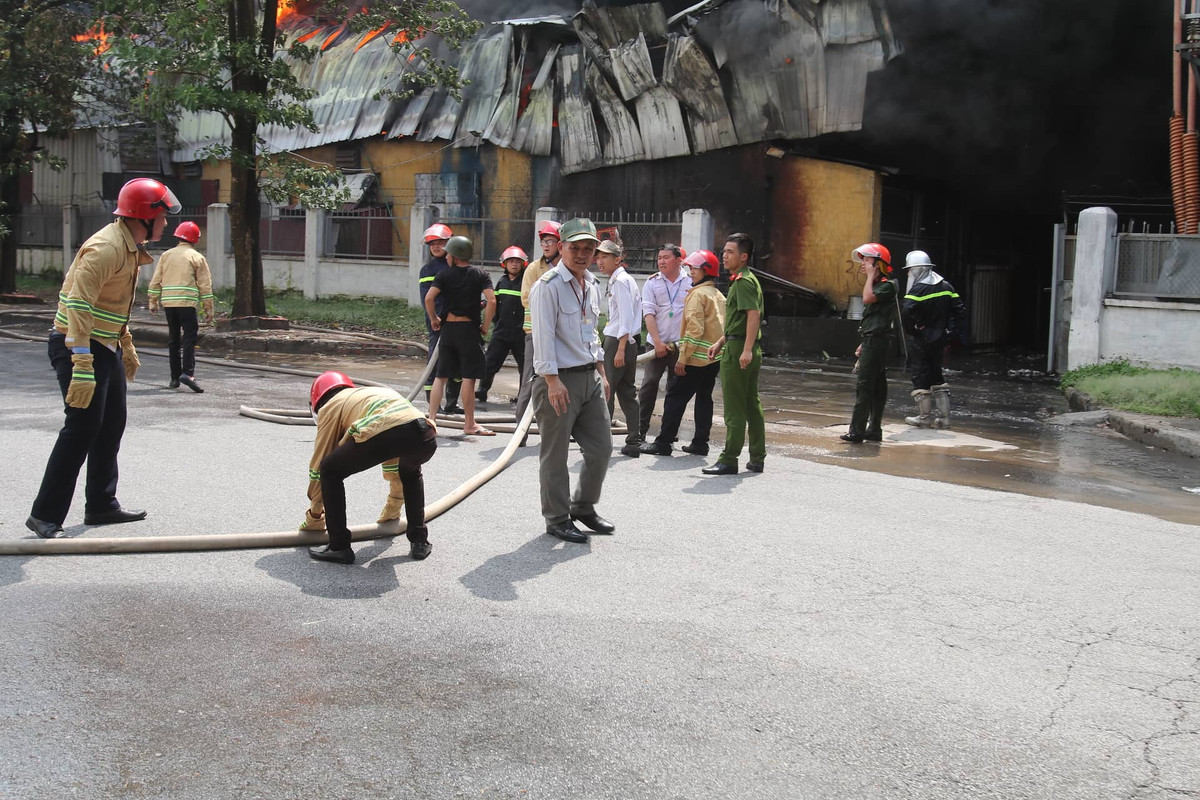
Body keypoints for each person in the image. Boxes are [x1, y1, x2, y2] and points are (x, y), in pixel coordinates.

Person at [25, 178, 181, 538]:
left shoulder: (129, 245)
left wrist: (123, 342)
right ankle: (44, 515)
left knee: (110, 426)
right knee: (81, 428)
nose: (167, 224)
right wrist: (81, 362)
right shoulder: (106, 248)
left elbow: (109, 304)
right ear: (146, 215)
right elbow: (79, 304)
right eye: (163, 217)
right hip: (76, 344)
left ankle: (101, 505)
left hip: (102, 345)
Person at [530, 218, 614, 543]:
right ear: (561, 247)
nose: (581, 254)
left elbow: (591, 333)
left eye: (588, 248)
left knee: (602, 449)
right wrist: (551, 380)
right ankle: (557, 518)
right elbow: (543, 337)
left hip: (589, 377)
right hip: (558, 381)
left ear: (595, 250)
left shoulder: (591, 283)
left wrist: (602, 374)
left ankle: (582, 507)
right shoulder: (547, 286)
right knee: (556, 453)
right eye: (574, 247)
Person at [302, 372, 437, 564]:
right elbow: (393, 462)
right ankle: (420, 542)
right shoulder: (370, 394)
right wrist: (393, 508)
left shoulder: (330, 406)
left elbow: (319, 463)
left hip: (389, 433)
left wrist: (315, 516)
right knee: (410, 472)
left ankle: (339, 547)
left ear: (317, 401)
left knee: (329, 470)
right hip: (425, 434)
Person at [642, 249, 725, 457]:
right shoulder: (717, 295)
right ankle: (700, 443)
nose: (691, 271)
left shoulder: (696, 295)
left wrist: (683, 358)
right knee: (704, 399)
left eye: (695, 268)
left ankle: (663, 442)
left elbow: (694, 330)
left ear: (706, 271)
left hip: (694, 359)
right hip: (712, 358)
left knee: (675, 398)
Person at [702, 233, 765, 475]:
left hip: (740, 348)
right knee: (751, 403)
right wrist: (720, 341)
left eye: (730, 252)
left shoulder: (743, 282)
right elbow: (739, 320)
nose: (724, 256)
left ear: (744, 256)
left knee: (735, 407)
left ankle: (729, 458)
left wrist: (746, 349)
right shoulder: (745, 279)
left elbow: (753, 315)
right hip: (738, 344)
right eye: (724, 251)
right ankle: (757, 456)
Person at [423, 235, 496, 436]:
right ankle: (469, 424)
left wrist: (434, 319)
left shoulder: (444, 275)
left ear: (454, 256)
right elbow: (491, 301)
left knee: (441, 376)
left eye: (449, 253)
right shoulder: (481, 274)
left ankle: (432, 420)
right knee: (468, 378)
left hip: (448, 331)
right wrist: (485, 326)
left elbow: (429, 298)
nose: (446, 257)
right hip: (468, 332)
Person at [901, 250, 967, 429]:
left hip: (922, 340)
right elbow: (960, 311)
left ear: (916, 270)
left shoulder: (918, 289)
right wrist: (951, 332)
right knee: (936, 374)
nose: (908, 274)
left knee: (920, 375)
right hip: (940, 339)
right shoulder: (947, 286)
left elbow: (906, 312)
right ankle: (944, 419)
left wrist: (913, 331)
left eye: (909, 270)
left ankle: (924, 418)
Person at [841, 243, 899, 443]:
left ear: (878, 264)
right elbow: (873, 321)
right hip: (873, 340)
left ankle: (857, 431)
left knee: (864, 385)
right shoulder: (878, 285)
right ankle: (874, 429)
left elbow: (866, 299)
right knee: (877, 386)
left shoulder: (887, 285)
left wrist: (869, 278)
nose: (862, 265)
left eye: (866, 261)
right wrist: (863, 342)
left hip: (878, 342)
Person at [148, 220, 214, 393]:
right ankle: (188, 374)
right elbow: (205, 286)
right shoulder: (197, 257)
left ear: (178, 236)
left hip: (169, 304)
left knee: (173, 340)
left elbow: (156, 280)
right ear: (195, 239)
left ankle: (174, 378)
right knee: (190, 338)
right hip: (187, 304)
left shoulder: (166, 255)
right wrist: (208, 309)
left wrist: (153, 301)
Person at [638, 243, 692, 439]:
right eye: (659, 257)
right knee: (649, 385)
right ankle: (640, 431)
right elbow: (649, 314)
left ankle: (668, 432)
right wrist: (658, 343)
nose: (661, 261)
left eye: (666, 257)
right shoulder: (652, 283)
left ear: (679, 261)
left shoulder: (690, 283)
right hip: (657, 344)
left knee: (675, 389)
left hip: (680, 345)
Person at [595, 239, 642, 457]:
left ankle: (603, 441)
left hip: (619, 341)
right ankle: (633, 441)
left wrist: (621, 348)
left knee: (608, 390)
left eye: (605, 256)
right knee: (626, 392)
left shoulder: (620, 281)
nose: (599, 261)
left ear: (618, 259)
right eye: (598, 256)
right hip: (627, 342)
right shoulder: (621, 279)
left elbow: (625, 317)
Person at [515, 220, 561, 432]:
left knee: (561, 382)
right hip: (536, 332)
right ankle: (520, 432)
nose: (545, 245)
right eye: (543, 241)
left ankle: (558, 429)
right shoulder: (534, 268)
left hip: (561, 335)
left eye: (550, 241)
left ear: (560, 244)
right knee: (530, 381)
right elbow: (526, 298)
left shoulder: (566, 267)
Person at [418, 223, 463, 415]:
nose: (436, 247)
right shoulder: (427, 270)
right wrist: (435, 318)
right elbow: (427, 299)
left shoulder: (457, 266)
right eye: (432, 244)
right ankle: (433, 406)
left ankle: (452, 404)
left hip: (458, 323)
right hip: (437, 324)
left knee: (458, 363)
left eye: (440, 243)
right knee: (434, 364)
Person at [475, 246, 527, 404]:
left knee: (525, 367)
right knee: (490, 362)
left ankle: (522, 396)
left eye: (517, 262)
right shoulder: (502, 282)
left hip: (521, 333)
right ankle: (482, 391)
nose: (514, 264)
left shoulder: (526, 282)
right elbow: (494, 303)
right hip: (501, 332)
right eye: (511, 261)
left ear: (523, 264)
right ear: (504, 264)